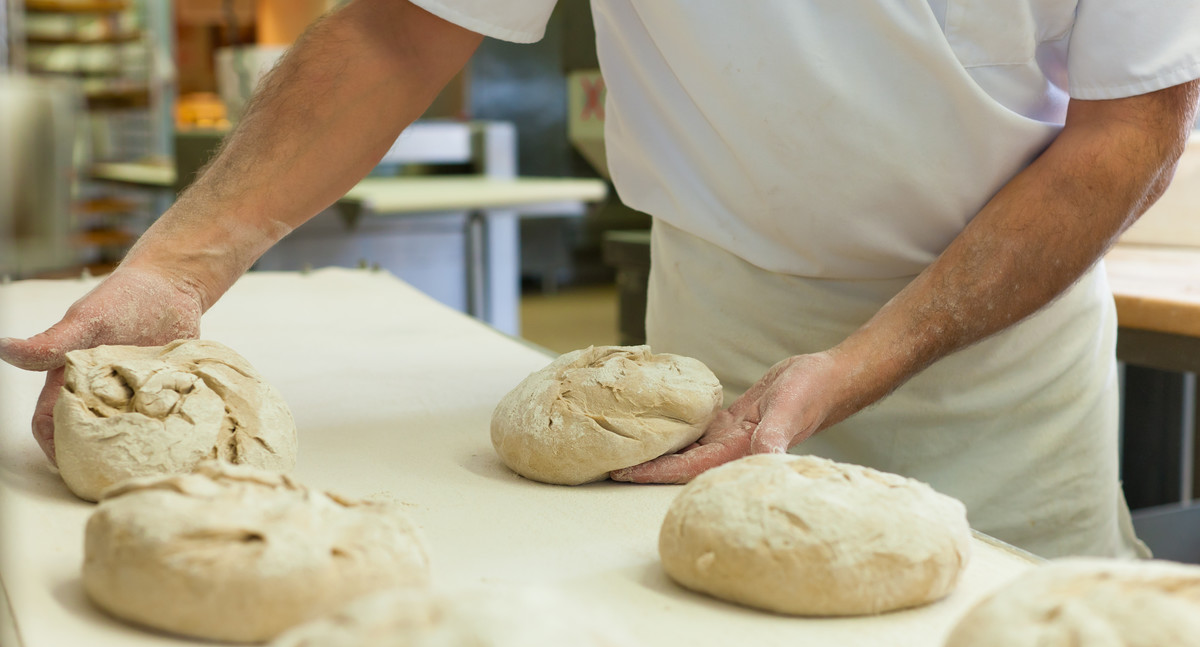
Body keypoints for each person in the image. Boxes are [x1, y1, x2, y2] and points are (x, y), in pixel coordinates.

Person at [1, 1, 1197, 558]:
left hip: (996, 352)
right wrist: (177, 266)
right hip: (715, 340)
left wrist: (857, 367)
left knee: (1015, 629)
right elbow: (397, 29)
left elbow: (1127, 133)